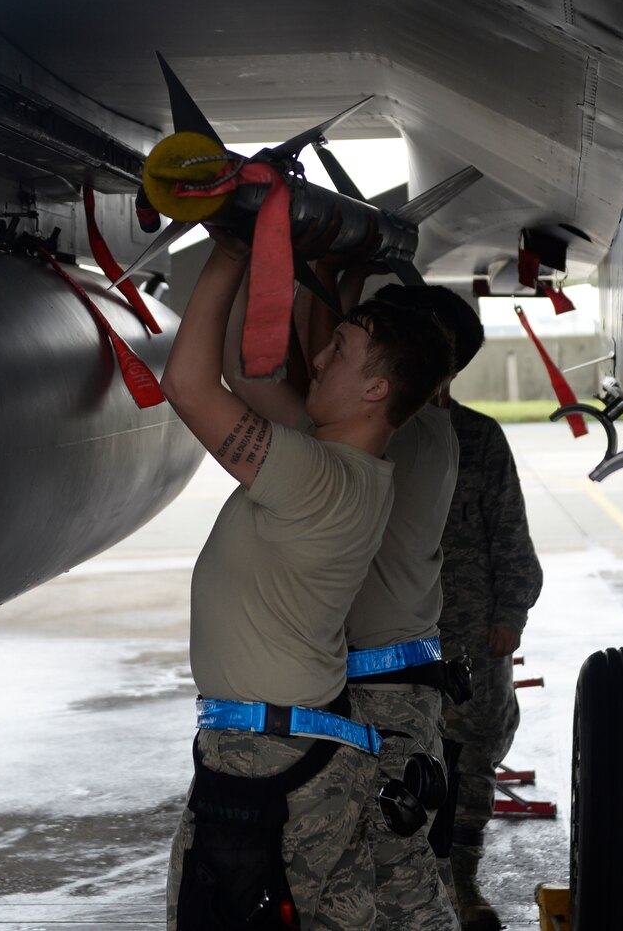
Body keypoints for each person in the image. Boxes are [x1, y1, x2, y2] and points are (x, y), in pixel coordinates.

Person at [162, 234, 457, 931]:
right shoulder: (340, 462)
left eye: (340, 352)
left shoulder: (318, 478)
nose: (317, 358)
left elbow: (189, 385)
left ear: (377, 389)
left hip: (268, 758)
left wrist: (231, 250)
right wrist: (283, 257)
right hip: (302, 748)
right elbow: (245, 373)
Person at [235, 273, 469, 931]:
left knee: (400, 874)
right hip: (386, 683)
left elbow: (293, 391)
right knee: (375, 873)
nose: (327, 360)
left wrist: (318, 278)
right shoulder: (422, 428)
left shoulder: (404, 434)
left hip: (386, 688)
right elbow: (322, 377)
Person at [432, 319, 543, 931]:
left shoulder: (477, 437)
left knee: (472, 760)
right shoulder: (380, 435)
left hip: (473, 631)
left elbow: (509, 531)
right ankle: (410, 875)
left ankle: (462, 881)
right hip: (395, 631)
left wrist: (509, 614)